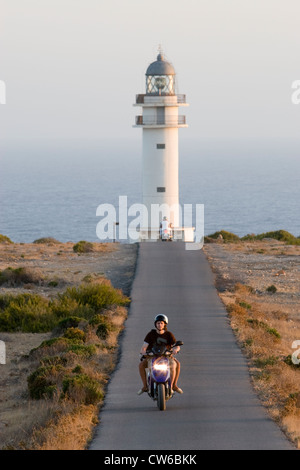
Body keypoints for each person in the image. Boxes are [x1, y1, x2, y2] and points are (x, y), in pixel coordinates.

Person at [138, 314, 183, 395]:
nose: (160, 325)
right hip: (152, 357)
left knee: (176, 364)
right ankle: (145, 386)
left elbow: (176, 345)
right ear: (155, 324)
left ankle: (173, 385)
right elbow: (143, 347)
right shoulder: (150, 334)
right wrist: (144, 352)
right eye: (158, 323)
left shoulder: (169, 334)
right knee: (141, 365)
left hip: (166, 356)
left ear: (165, 324)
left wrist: (175, 349)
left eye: (162, 323)